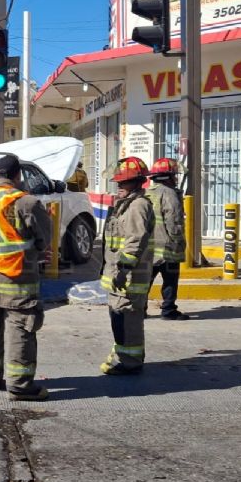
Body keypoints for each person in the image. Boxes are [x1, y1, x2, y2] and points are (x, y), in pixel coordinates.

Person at [0, 154, 52, 401]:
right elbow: (44, 240)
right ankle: (20, 385)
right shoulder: (27, 202)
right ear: (18, 176)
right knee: (20, 330)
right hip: (16, 280)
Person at [100, 157, 154, 375]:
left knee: (127, 319)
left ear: (137, 182)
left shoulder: (138, 206)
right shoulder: (125, 205)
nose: (119, 186)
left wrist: (123, 270)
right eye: (118, 182)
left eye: (124, 182)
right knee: (121, 318)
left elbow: (134, 241)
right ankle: (127, 356)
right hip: (120, 275)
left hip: (129, 277)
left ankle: (130, 362)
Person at [146, 158, 189, 320]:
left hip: (149, 248)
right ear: (168, 176)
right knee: (170, 280)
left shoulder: (147, 192)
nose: (176, 178)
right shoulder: (169, 194)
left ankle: (139, 309)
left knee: (146, 281)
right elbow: (174, 221)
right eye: (174, 175)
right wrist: (178, 242)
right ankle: (168, 310)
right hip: (168, 246)